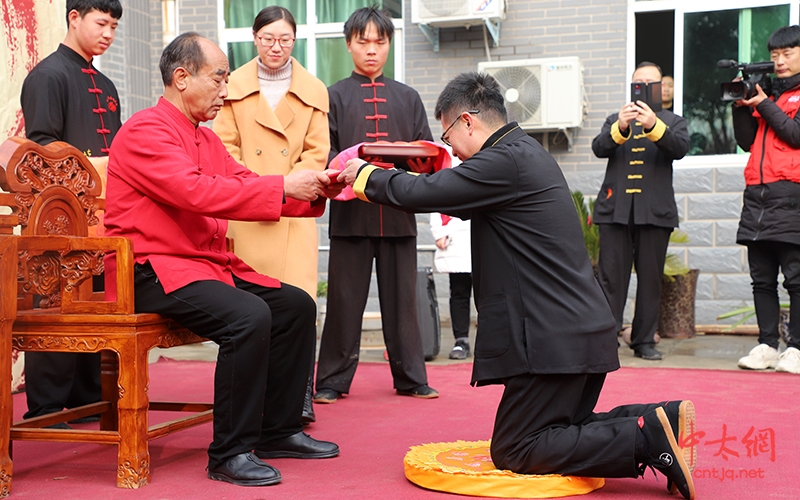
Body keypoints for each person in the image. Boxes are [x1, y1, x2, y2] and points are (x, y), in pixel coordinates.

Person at [336, 72, 697, 500]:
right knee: (562, 430)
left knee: (516, 449)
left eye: (448, 134)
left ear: (469, 121)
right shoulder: (521, 154)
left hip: (553, 339)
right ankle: (660, 419)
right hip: (576, 332)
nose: (450, 147)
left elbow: (428, 191)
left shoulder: (503, 161)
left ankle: (648, 441)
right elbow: (443, 189)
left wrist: (362, 175)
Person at [104, 32, 341, 487]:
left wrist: (310, 189)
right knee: (248, 316)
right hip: (149, 267)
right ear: (181, 77)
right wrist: (284, 187)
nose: (225, 91)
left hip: (200, 264)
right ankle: (229, 452)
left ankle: (279, 429)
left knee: (295, 306)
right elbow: (195, 192)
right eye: (218, 79)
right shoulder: (145, 130)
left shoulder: (205, 140)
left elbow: (246, 184)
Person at [313, 6, 437, 403]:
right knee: (344, 301)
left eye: (379, 42)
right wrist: (349, 164)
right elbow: (324, 152)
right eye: (362, 41)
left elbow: (427, 150)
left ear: (389, 45)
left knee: (403, 302)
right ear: (349, 44)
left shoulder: (408, 97)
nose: (371, 50)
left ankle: (412, 377)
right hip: (351, 214)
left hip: (399, 213)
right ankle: (331, 380)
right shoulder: (333, 96)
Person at [212, 5, 329, 424]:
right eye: (267, 39)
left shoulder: (314, 90)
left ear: (294, 41)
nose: (276, 47)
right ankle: (254, 401)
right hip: (247, 212)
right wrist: (260, 189)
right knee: (252, 309)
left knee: (299, 306)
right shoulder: (232, 87)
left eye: (284, 39)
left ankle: (297, 399)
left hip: (293, 215)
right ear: (254, 39)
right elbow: (224, 149)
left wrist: (288, 189)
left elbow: (316, 153)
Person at [19, 0, 124, 425]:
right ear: (74, 18)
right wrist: (90, 169)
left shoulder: (107, 84)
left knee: (94, 302)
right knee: (55, 303)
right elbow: (42, 148)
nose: (108, 34)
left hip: (103, 215)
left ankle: (86, 398)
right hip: (59, 215)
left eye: (114, 26)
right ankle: (46, 406)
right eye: (101, 23)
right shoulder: (48, 75)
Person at [592, 62, 690, 361]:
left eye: (650, 82)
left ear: (661, 88)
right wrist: (620, 127)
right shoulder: (615, 118)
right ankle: (606, 339)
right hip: (615, 211)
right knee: (611, 279)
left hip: (655, 212)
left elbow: (679, 148)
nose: (644, 86)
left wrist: (652, 126)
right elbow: (599, 148)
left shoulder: (673, 121)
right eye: (639, 82)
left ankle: (644, 340)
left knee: (650, 278)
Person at [733, 24, 800, 374]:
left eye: (787, 53)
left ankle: (797, 348)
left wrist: (765, 105)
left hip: (791, 195)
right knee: (761, 279)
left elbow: (795, 135)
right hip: (757, 196)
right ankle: (767, 345)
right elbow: (746, 141)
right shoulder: (768, 93)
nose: (780, 61)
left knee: (796, 278)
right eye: (775, 55)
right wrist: (741, 106)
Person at [429, 209, 473, 359]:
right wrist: (439, 232)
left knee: (489, 295)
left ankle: (492, 341)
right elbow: (436, 197)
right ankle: (461, 341)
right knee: (459, 292)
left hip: (486, 232)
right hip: (456, 236)